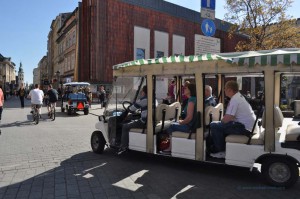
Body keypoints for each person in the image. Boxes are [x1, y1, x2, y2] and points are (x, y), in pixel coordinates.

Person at [209, 81, 256, 158]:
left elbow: (228, 118)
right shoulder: (239, 96)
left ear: (230, 90)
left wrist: (219, 123)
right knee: (218, 125)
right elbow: (231, 117)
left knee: (213, 125)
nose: (224, 91)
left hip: (244, 128)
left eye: (225, 89)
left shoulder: (235, 100)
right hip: (249, 126)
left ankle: (220, 151)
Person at [162, 83, 197, 153]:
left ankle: (170, 147)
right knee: (174, 122)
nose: (184, 89)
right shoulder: (193, 99)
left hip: (189, 127)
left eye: (186, 88)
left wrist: (181, 122)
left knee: (169, 125)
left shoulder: (191, 100)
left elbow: (189, 118)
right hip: (191, 125)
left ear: (190, 90)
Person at [118, 85, 148, 154]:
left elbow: (132, 108)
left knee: (125, 127)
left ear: (144, 92)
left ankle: (123, 147)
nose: (141, 93)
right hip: (150, 120)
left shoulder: (144, 100)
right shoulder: (153, 99)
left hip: (144, 122)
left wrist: (128, 109)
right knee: (132, 120)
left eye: (142, 91)